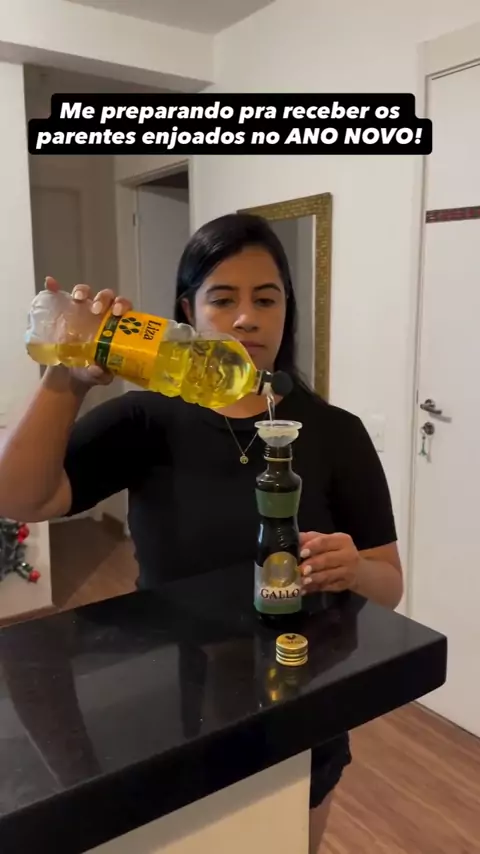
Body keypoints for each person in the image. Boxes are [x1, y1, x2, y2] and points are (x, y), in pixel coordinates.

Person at [0, 212, 403, 852]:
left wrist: (353, 570)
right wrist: (66, 378)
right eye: (223, 299)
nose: (246, 318)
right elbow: (20, 495)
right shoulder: (147, 419)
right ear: (189, 311)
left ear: (287, 311)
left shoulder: (337, 433)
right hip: (170, 703)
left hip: (301, 702)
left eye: (266, 299)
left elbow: (389, 584)